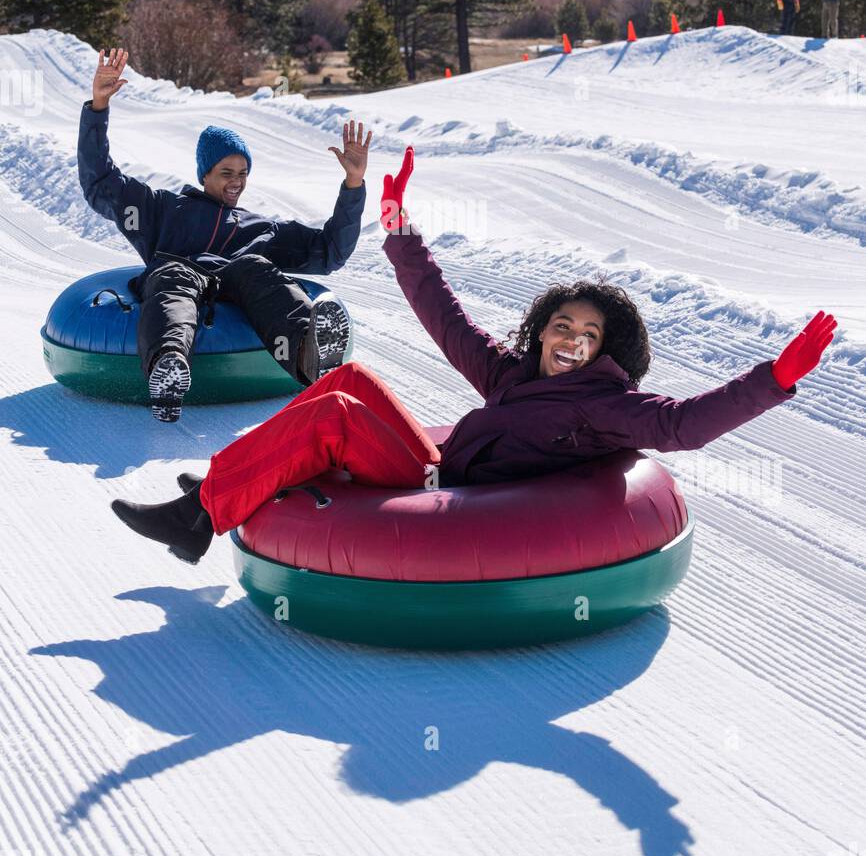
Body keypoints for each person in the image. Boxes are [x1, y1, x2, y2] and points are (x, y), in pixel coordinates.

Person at [110, 148, 838, 565]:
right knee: (351, 378)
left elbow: (687, 426)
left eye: (588, 336)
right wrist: (398, 228)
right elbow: (444, 313)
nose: (571, 341)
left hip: (447, 483)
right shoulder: (513, 375)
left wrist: (773, 379)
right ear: (542, 331)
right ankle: (224, 484)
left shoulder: (607, 407)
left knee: (333, 410)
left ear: (603, 351)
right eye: (561, 326)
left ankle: (197, 518)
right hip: (437, 462)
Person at [78, 47, 370, 421]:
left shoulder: (261, 228)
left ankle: (308, 355)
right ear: (204, 174)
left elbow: (331, 252)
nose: (237, 183)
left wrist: (353, 183)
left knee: (254, 265)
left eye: (243, 173)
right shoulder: (160, 208)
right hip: (178, 278)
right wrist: (98, 108)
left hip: (236, 284)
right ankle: (168, 370)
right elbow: (100, 182)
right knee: (172, 276)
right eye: (226, 172)